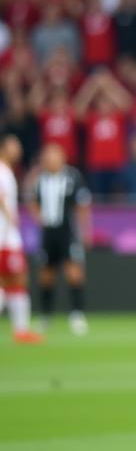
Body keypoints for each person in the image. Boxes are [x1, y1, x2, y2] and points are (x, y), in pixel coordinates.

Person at [28, 142, 91, 335]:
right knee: (46, 276)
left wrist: (85, 230)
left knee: (74, 273)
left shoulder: (73, 177)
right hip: (48, 233)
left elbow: (82, 205)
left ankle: (77, 315)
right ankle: (46, 316)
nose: (49, 160)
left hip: (67, 232)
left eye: (53, 156)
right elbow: (33, 202)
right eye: (47, 156)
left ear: (62, 158)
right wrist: (39, 218)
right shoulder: (40, 179)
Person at [0, 135, 43, 343]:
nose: (18, 149)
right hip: (5, 237)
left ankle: (21, 330)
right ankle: (21, 330)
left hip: (7, 236)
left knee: (11, 283)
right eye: (13, 145)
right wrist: (10, 216)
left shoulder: (8, 171)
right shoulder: (2, 170)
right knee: (14, 280)